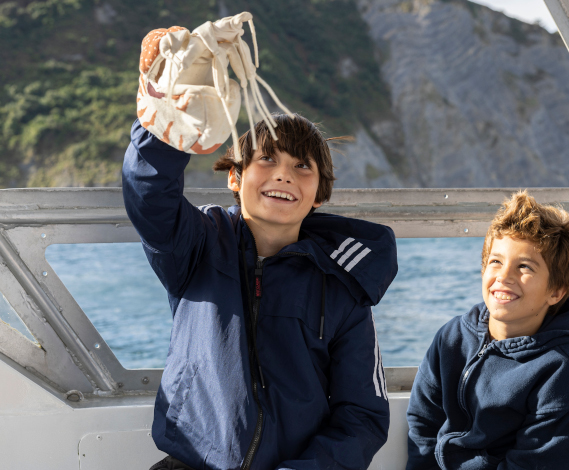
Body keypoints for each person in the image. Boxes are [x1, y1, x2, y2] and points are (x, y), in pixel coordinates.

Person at [122, 113, 397, 470]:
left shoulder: (342, 285)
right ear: (235, 177)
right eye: (267, 158)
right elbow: (149, 193)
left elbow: (363, 415)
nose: (283, 174)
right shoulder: (198, 243)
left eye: (302, 165)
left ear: (319, 193)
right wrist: (165, 116)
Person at [406, 191, 569, 470]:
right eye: (496, 261)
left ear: (556, 291)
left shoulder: (563, 370)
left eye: (524, 267)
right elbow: (423, 425)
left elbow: (534, 463)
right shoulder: (451, 339)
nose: (504, 277)